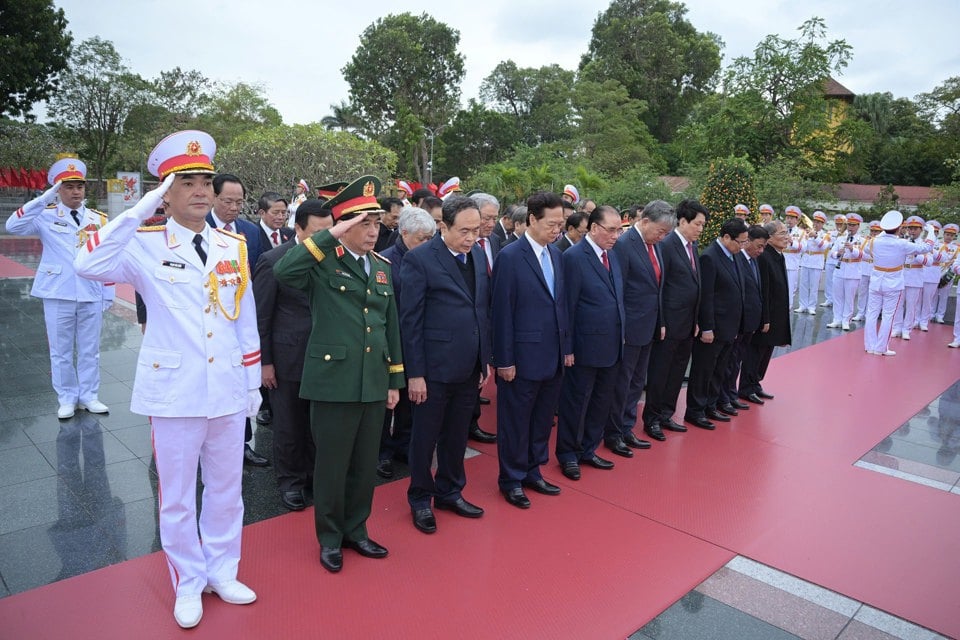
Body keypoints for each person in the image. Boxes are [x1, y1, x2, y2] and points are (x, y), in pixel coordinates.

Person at [74, 130, 261, 628]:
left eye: (206, 180)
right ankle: (188, 580)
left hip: (225, 388)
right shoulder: (143, 242)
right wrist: (141, 208)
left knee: (227, 490)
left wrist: (252, 383)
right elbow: (87, 262)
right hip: (174, 391)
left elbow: (244, 318)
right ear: (167, 190)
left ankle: (223, 570)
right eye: (186, 182)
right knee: (177, 495)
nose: (201, 190)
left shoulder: (232, 243)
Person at [273, 175, 404, 574]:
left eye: (377, 223)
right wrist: (330, 235)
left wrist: (394, 380)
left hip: (372, 381)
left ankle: (356, 529)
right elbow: (283, 272)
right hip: (333, 382)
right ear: (344, 227)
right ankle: (329, 537)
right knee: (332, 464)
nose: (373, 231)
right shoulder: (320, 260)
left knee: (364, 465)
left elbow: (389, 326)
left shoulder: (381, 267)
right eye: (364, 224)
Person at [400, 196, 492, 534]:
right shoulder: (420, 260)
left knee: (456, 436)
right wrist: (416, 374)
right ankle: (421, 497)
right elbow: (410, 321)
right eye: (464, 231)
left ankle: (450, 491)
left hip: (469, 366)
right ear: (443, 227)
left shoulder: (478, 256)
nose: (471, 238)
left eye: (476, 231)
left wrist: (485, 359)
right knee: (425, 438)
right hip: (433, 370)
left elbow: (482, 310)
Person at [6, 157, 114, 419]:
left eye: (80, 186)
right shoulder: (44, 216)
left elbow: (108, 256)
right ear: (58, 189)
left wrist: (108, 292)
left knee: (90, 349)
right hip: (57, 292)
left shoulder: (98, 220)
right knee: (60, 350)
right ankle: (66, 397)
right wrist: (44, 199)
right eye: (68, 187)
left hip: (91, 292)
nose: (76, 191)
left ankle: (89, 395)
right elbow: (12, 226)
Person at [492, 191, 571, 509]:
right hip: (521, 357)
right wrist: (505, 359)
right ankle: (510, 478)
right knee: (515, 420)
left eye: (561, 224)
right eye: (552, 224)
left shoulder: (557, 256)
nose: (557, 230)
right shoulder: (510, 257)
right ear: (532, 220)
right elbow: (501, 312)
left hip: (552, 355)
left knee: (541, 419)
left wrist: (567, 347)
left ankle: (532, 470)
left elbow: (561, 305)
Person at [254, 200, 332, 511]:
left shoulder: (333, 257)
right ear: (297, 229)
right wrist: (265, 362)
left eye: (330, 231)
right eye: (317, 232)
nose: (325, 239)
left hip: (326, 357)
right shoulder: (274, 260)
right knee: (289, 424)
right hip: (288, 357)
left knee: (318, 423)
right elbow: (261, 316)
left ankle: (314, 475)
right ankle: (290, 481)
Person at [555, 205, 624, 478]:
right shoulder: (573, 257)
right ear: (594, 228)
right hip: (583, 347)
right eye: (611, 230)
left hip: (612, 344)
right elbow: (567, 306)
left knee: (601, 401)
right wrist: (567, 347)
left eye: (619, 230)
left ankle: (588, 449)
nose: (616, 235)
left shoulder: (612, 256)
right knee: (576, 402)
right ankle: (568, 453)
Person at [206, 174, 269, 466]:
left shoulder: (249, 231)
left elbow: (256, 274)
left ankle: (241, 443)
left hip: (239, 317)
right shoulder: (198, 226)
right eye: (227, 201)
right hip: (205, 320)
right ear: (213, 198)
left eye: (239, 202)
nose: (233, 207)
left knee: (238, 381)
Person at [604, 200, 674, 456]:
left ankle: (626, 427)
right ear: (644, 221)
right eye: (659, 230)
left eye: (666, 233)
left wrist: (661, 322)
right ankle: (613, 433)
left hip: (649, 325)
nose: (662, 236)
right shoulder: (624, 245)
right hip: (629, 326)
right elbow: (618, 290)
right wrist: (619, 328)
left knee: (636, 382)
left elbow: (658, 288)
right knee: (622, 383)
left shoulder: (655, 246)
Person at [376, 206, 437, 479]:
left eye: (430, 238)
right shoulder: (385, 261)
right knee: (388, 401)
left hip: (418, 340)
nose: (427, 243)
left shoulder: (430, 259)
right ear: (403, 233)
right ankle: (382, 453)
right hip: (391, 340)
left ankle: (403, 445)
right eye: (422, 238)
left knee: (412, 403)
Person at [641, 199, 707, 441]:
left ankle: (667, 413)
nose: (701, 229)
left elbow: (694, 283)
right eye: (698, 224)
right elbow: (661, 286)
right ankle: (652, 419)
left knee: (678, 372)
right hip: (669, 323)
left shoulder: (693, 245)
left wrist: (697, 318)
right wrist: (662, 321)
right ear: (683, 221)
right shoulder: (667, 245)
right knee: (660, 373)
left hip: (688, 322)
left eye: (703, 225)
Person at [684, 218, 749, 430]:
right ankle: (695, 410)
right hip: (714, 328)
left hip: (730, 327)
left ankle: (710, 405)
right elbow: (707, 296)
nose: (742, 246)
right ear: (726, 237)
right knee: (704, 371)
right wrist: (707, 327)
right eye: (740, 242)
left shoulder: (735, 256)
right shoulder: (710, 257)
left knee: (719, 370)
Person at [864, 211, 935, 356]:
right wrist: (932, 232)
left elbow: (866, 251)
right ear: (898, 228)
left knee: (871, 314)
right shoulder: (902, 244)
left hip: (876, 282)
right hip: (893, 283)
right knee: (888, 316)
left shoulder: (873, 242)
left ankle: (870, 346)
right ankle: (881, 348)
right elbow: (927, 248)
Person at [740, 220, 791, 402]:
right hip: (766, 315)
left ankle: (756, 383)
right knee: (755, 351)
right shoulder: (764, 256)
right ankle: (747, 386)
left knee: (766, 351)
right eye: (782, 234)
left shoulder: (778, 255)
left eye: (786, 233)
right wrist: (765, 318)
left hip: (776, 313)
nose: (787, 237)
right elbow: (764, 290)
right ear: (769, 238)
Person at [468, 193, 503, 443]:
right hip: (469, 322)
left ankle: (474, 421)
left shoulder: (495, 242)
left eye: (494, 218)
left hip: (491, 318)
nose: (491, 223)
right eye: (486, 218)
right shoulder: (464, 243)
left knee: (483, 373)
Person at [724, 225, 768, 407]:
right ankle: (726, 397)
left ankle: (731, 395)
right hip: (737, 322)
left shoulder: (753, 260)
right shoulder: (737, 259)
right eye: (758, 246)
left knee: (737, 361)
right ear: (747, 241)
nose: (761, 250)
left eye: (763, 246)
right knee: (730, 362)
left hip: (750, 321)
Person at [827, 213, 863, 332]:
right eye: (849, 225)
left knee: (849, 297)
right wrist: (837, 253)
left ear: (858, 226)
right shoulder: (840, 238)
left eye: (853, 225)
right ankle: (837, 319)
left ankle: (846, 320)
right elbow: (831, 253)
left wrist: (853, 249)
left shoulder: (862, 240)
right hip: (840, 270)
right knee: (837, 296)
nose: (850, 227)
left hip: (853, 272)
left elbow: (864, 255)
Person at [796, 211, 828, 314]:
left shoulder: (825, 235)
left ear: (823, 224)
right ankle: (802, 305)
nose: (816, 224)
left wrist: (815, 237)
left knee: (814, 286)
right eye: (815, 221)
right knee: (803, 284)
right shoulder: (807, 233)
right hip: (806, 260)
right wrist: (807, 236)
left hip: (817, 262)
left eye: (819, 222)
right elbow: (803, 247)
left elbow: (824, 247)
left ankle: (811, 306)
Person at [934, 224, 958, 324]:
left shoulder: (957, 248)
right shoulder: (937, 245)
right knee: (933, 295)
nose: (949, 237)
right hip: (936, 272)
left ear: (954, 236)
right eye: (947, 234)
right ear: (943, 234)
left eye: (951, 235)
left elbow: (956, 261)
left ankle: (940, 315)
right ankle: (930, 313)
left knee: (944, 296)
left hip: (948, 274)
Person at [821, 214, 846, 308]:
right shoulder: (830, 233)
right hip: (830, 259)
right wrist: (833, 244)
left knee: (838, 282)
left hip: (840, 261)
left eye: (841, 224)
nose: (839, 226)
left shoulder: (847, 234)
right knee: (829, 281)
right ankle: (829, 299)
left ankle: (837, 300)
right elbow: (825, 244)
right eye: (837, 224)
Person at [782, 206, 803, 311]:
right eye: (787, 217)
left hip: (792, 263)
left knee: (790, 288)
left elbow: (803, 247)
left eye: (791, 218)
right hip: (781, 261)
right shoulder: (782, 230)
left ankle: (788, 307)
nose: (789, 220)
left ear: (797, 220)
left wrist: (792, 242)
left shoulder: (801, 233)